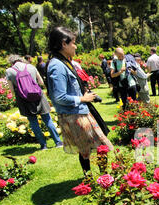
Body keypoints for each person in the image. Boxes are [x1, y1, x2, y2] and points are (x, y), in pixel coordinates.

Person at [46, 26, 113, 174]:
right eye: (73, 43)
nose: (75, 46)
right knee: (99, 146)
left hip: (79, 112)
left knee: (88, 149)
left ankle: (95, 177)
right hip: (74, 115)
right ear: (64, 44)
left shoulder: (63, 62)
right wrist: (83, 98)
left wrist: (84, 93)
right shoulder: (57, 66)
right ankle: (102, 177)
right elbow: (59, 97)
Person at [6, 54, 63, 151]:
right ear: (21, 59)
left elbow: (11, 89)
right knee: (47, 119)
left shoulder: (9, 71)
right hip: (38, 96)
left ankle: (43, 145)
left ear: (11, 62)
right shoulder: (31, 67)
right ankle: (58, 142)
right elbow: (41, 82)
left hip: (24, 99)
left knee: (33, 122)